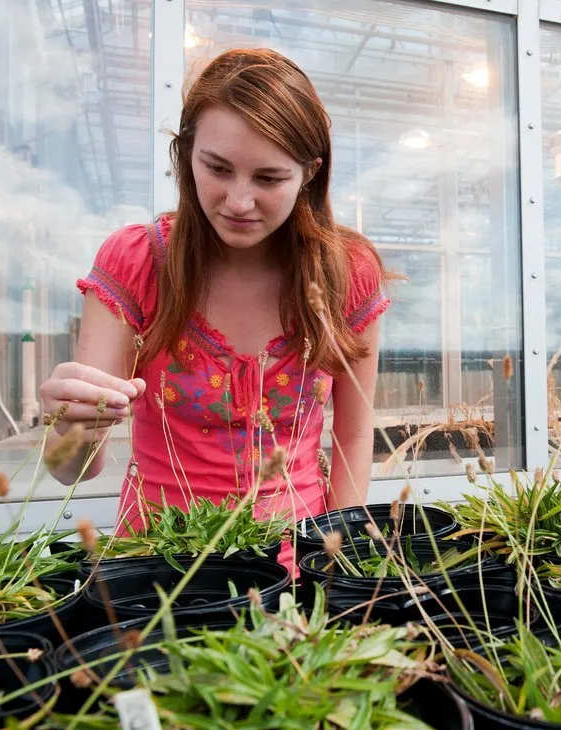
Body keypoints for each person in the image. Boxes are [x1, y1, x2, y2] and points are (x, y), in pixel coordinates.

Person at [39, 48, 390, 565]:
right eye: (218, 168)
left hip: (302, 565)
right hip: (160, 567)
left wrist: (339, 566)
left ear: (310, 173)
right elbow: (73, 469)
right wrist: (69, 427)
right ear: (186, 155)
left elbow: (354, 434)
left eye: (269, 178)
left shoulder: (348, 272)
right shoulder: (138, 262)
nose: (239, 201)